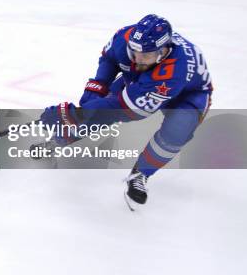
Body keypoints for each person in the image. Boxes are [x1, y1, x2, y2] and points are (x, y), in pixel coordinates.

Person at [39, 14, 212, 209]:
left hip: (188, 95)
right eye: (134, 51)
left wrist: (76, 114)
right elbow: (109, 59)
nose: (137, 59)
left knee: (177, 130)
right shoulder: (126, 37)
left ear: (163, 52)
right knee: (93, 107)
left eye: (145, 55)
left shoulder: (175, 68)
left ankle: (141, 174)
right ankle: (60, 139)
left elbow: (124, 109)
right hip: (146, 78)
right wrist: (94, 91)